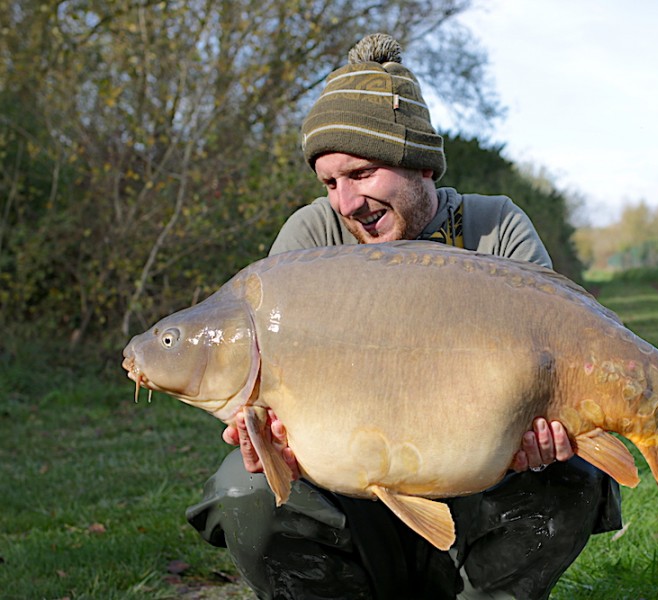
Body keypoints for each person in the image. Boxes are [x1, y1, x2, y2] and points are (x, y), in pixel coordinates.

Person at [186, 33, 621, 600]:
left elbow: (558, 364)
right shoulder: (310, 241)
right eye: (330, 182)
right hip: (359, 510)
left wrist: (542, 432)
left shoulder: (494, 230)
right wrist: (267, 438)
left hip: (477, 493)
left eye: (362, 174)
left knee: (571, 476)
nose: (346, 202)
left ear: (420, 165)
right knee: (245, 492)